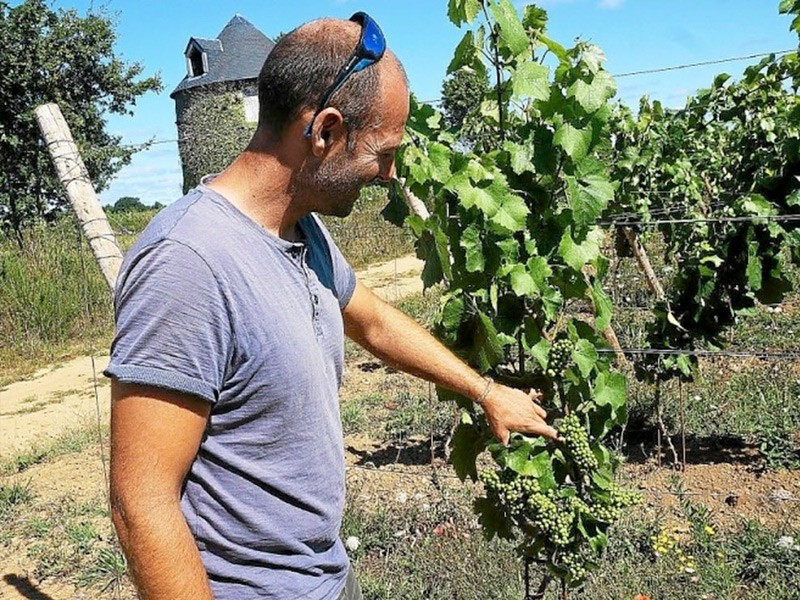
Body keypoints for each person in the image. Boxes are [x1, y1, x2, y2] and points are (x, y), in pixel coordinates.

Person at [106, 12, 557, 600]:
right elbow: (140, 503)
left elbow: (370, 319)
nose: (390, 174)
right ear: (324, 131)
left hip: (321, 578)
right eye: (383, 152)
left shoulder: (300, 230)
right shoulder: (188, 264)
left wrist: (486, 392)